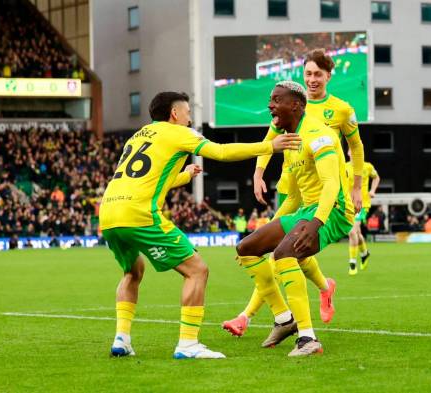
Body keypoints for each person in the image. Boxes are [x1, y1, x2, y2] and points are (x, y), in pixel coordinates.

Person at [99, 91, 300, 359]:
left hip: (110, 212)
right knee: (197, 270)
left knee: (133, 271)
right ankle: (188, 344)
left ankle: (121, 339)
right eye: (188, 112)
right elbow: (221, 152)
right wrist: (269, 147)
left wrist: (184, 175)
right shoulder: (179, 133)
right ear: (174, 114)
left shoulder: (139, 136)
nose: (190, 118)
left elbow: (152, 180)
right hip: (139, 213)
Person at [223, 49, 364, 336]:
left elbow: (356, 148)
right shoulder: (285, 105)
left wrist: (357, 186)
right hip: (295, 185)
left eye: (318, 75)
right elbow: (270, 138)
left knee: (282, 253)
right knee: (266, 247)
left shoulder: (341, 110)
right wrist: (259, 171)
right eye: (308, 73)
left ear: (328, 77)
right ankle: (322, 288)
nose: (312, 79)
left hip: (324, 191)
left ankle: (249, 316)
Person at [346, 154, 379, 275]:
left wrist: (372, 190)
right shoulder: (344, 167)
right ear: (349, 153)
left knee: (352, 232)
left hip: (362, 204)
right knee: (357, 233)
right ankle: (364, 253)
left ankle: (352, 264)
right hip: (348, 204)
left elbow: (376, 178)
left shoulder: (367, 166)